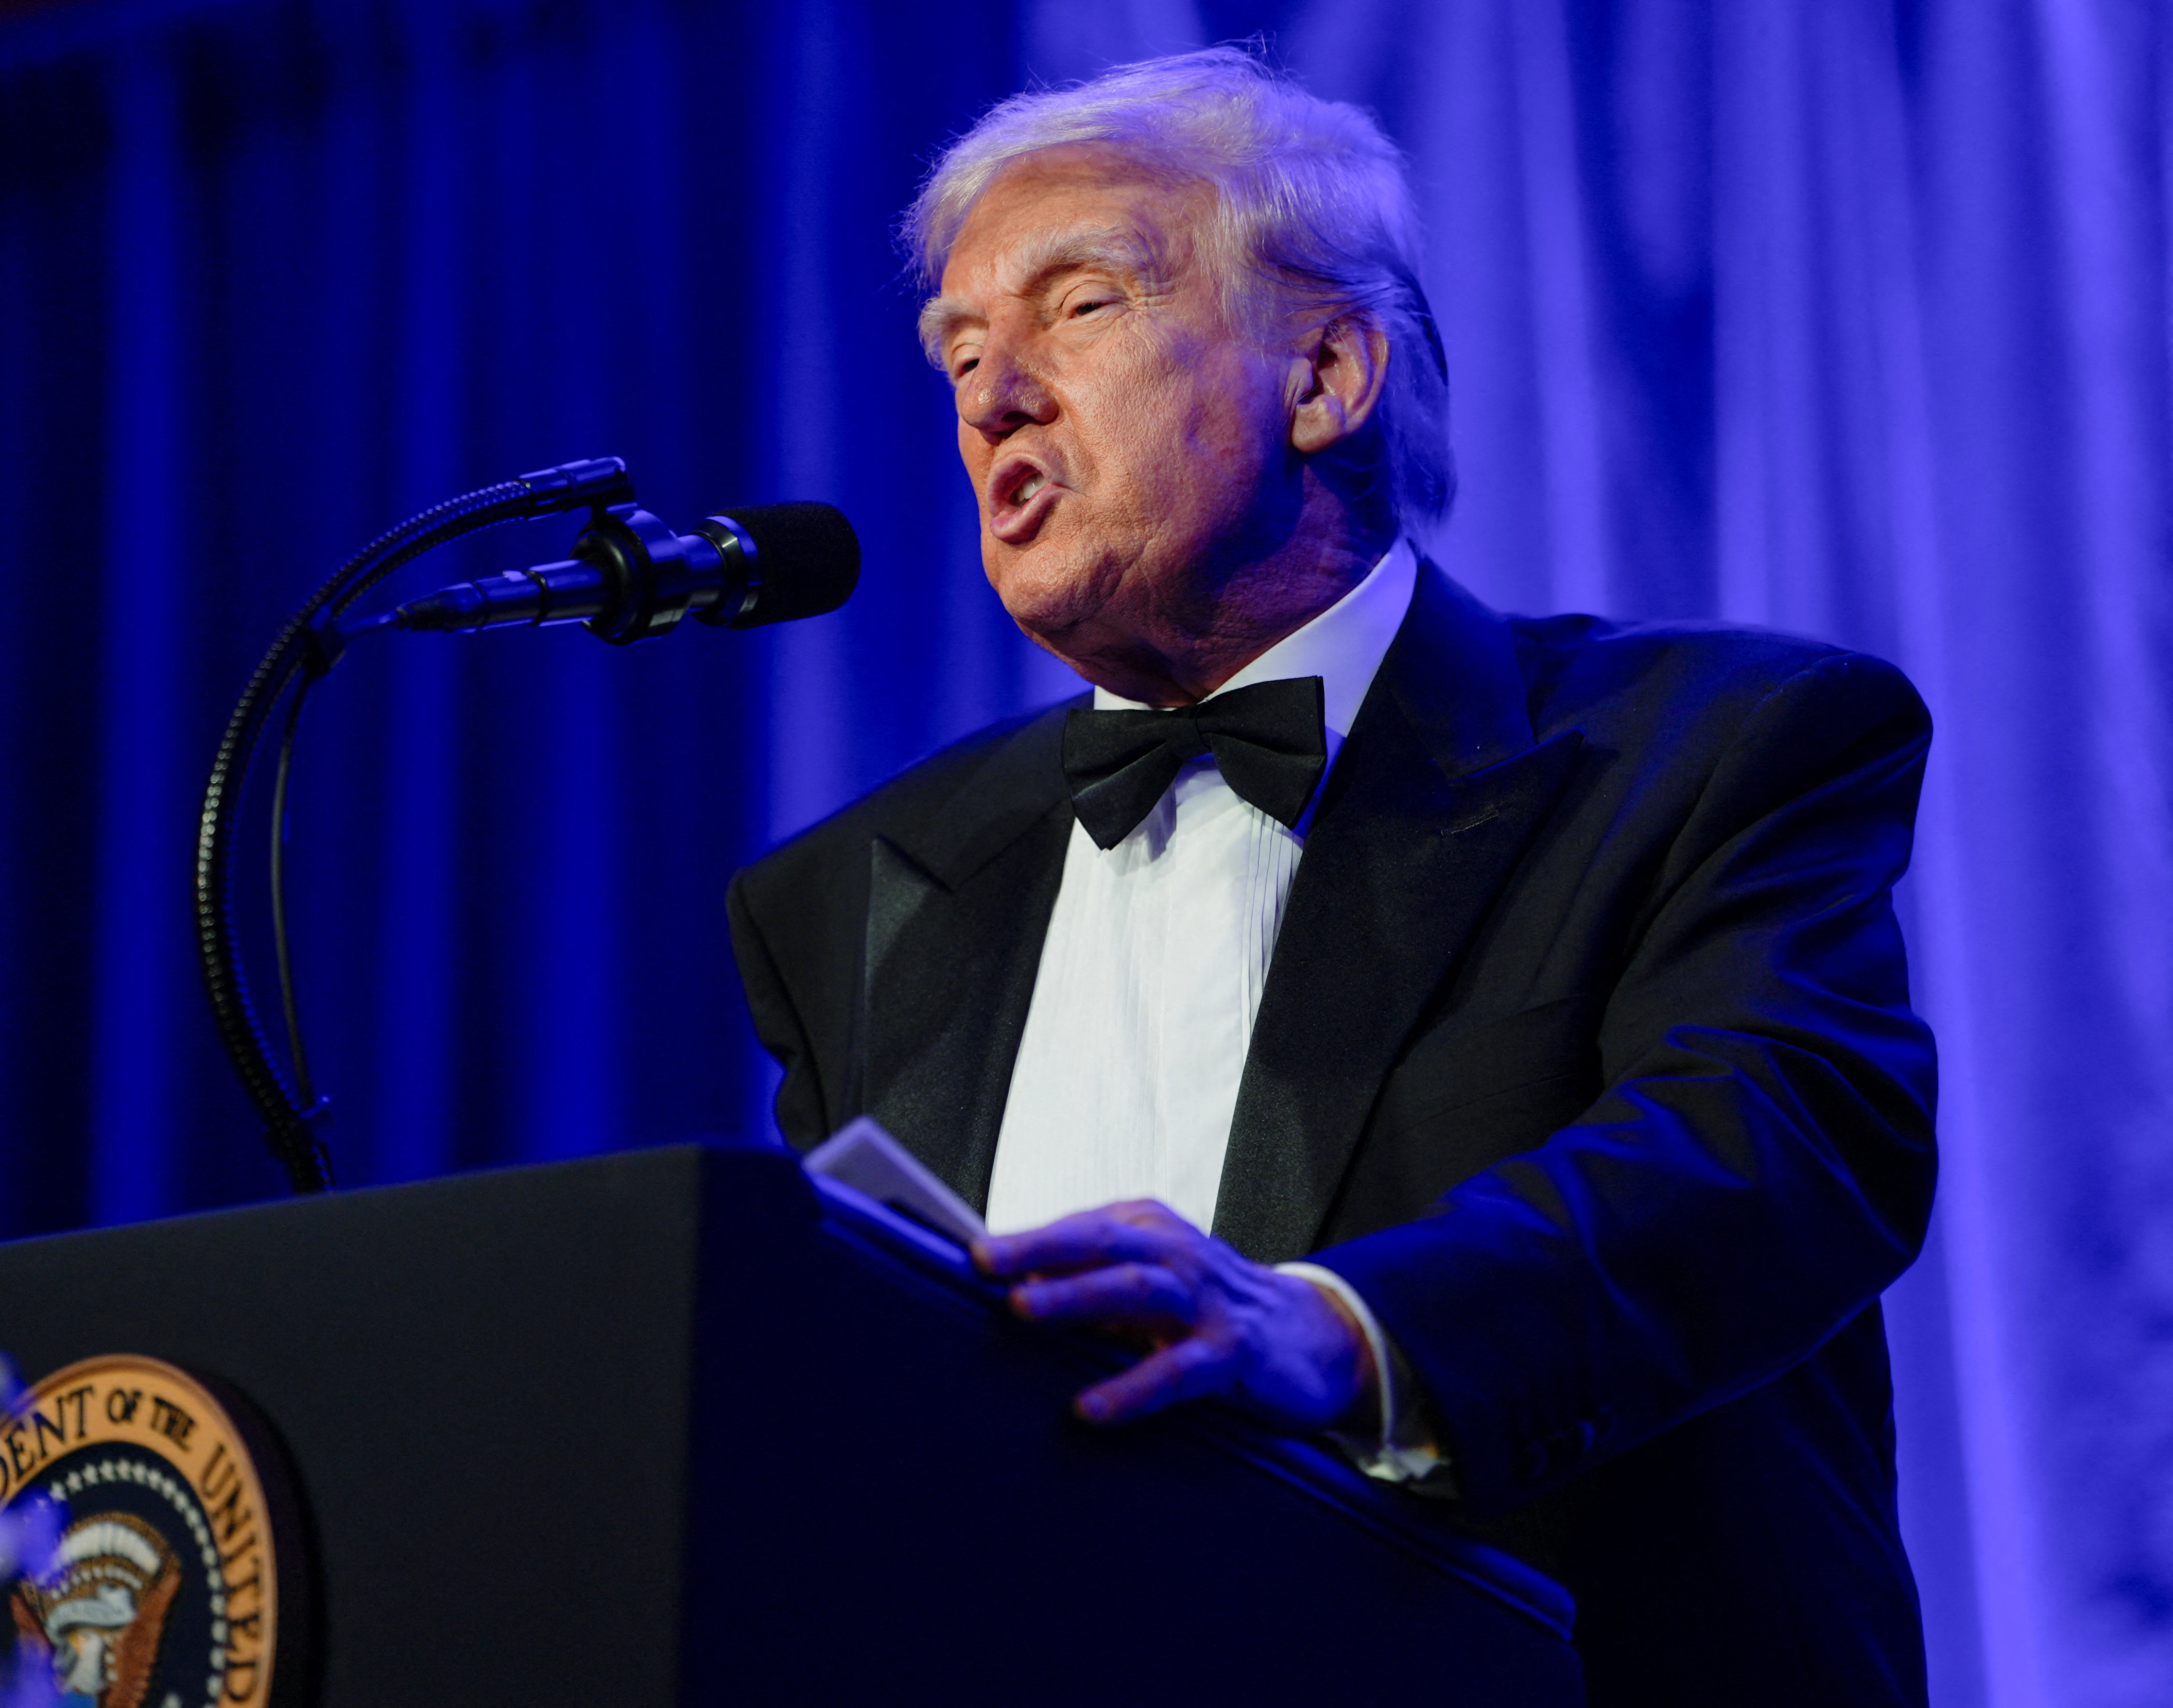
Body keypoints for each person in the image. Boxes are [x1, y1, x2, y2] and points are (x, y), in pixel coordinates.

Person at [726, 47, 1933, 1706]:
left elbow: (1776, 1153)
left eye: (1078, 309)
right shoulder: (856, 891)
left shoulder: (1717, 751)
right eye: (959, 350)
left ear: (1327, 375)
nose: (992, 396)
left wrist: (1342, 1332)